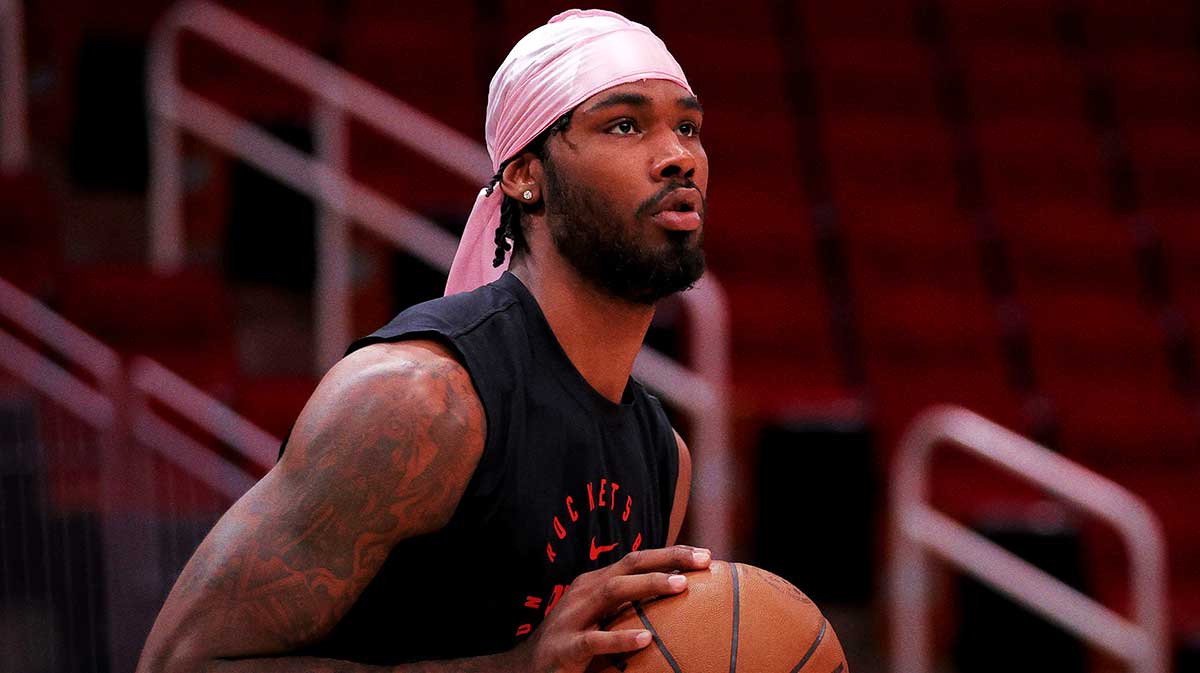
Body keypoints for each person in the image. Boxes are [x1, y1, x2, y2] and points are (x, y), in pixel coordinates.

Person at [137, 9, 712, 673]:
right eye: (624, 125)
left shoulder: (664, 457)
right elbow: (177, 665)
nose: (679, 156)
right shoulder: (419, 400)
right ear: (525, 175)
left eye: (688, 128)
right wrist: (508, 669)